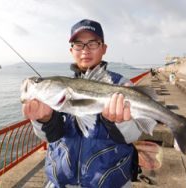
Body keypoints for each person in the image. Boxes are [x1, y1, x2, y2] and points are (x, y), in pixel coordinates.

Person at [22, 19, 142, 188]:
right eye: (78, 44)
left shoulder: (123, 86)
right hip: (60, 182)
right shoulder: (59, 91)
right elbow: (50, 137)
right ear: (72, 50)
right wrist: (44, 120)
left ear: (103, 48)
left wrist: (119, 122)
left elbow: (133, 136)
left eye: (92, 43)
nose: (85, 50)